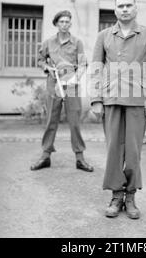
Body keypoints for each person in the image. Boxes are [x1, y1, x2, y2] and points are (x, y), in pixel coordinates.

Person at [90, 0, 146, 219]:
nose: (125, 9)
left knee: (133, 152)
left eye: (129, 5)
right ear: (115, 10)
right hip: (110, 99)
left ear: (136, 8)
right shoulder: (103, 36)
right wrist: (96, 99)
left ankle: (130, 197)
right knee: (113, 151)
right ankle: (116, 196)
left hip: (137, 100)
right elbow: (96, 67)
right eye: (120, 6)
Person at [30, 10, 94, 172]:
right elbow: (39, 60)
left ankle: (80, 158)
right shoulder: (48, 43)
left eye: (67, 21)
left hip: (71, 84)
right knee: (51, 120)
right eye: (62, 21)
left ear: (70, 24)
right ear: (56, 24)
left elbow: (82, 64)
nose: (64, 24)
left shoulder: (77, 42)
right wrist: (47, 67)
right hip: (54, 84)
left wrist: (76, 78)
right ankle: (45, 156)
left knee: (74, 122)